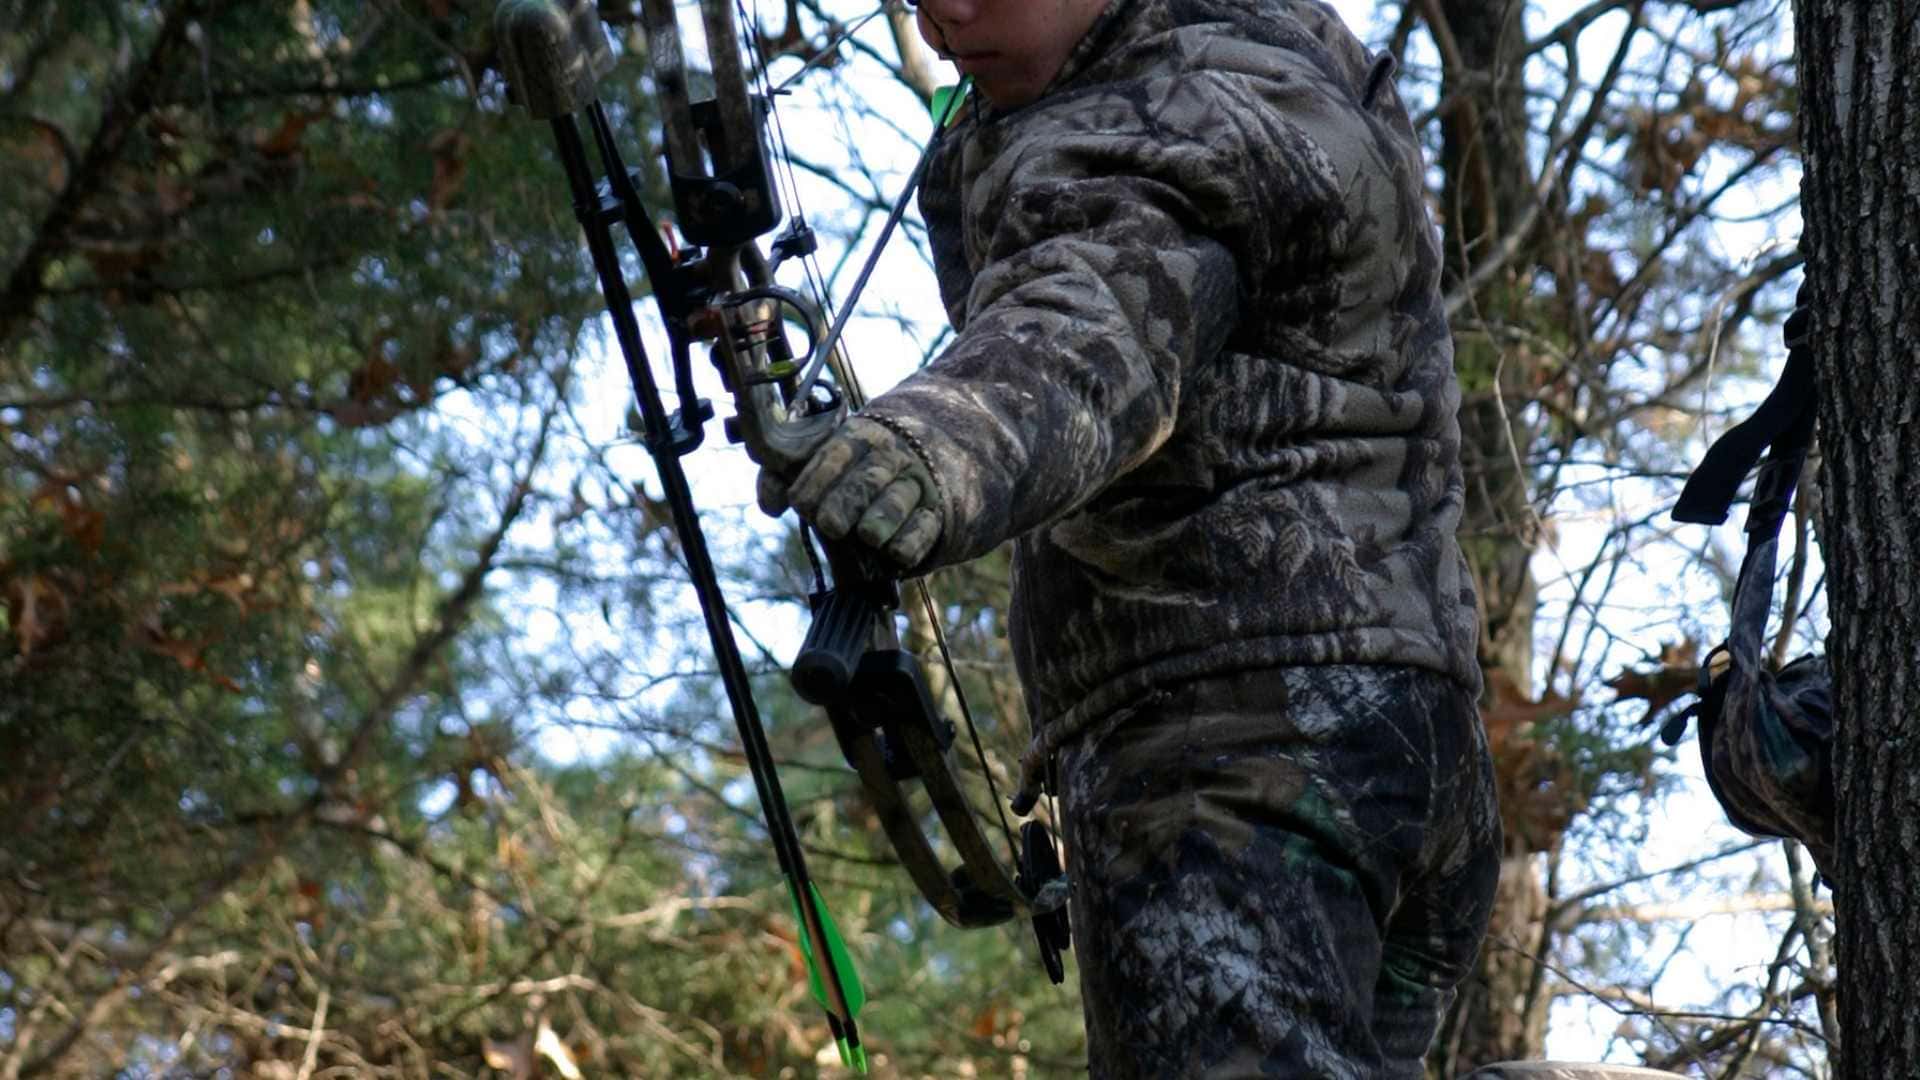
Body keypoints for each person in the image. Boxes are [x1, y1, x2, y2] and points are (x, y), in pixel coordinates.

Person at [758, 0, 1501, 1074]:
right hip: (1397, 744)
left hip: (1243, 760)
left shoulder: (1168, 102)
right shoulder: (1265, 55)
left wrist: (936, 451)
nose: (945, 12)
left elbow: (1096, 327)